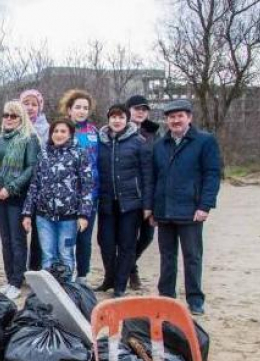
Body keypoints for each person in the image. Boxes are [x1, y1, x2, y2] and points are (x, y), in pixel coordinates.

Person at [147, 99, 222, 315]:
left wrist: (205, 205)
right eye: (171, 117)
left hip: (191, 210)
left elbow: (212, 175)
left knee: (192, 256)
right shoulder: (160, 145)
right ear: (166, 120)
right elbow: (153, 178)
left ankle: (195, 300)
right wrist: (152, 208)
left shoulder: (204, 141)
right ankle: (167, 297)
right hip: (164, 210)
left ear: (189, 117)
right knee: (167, 257)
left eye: (180, 116)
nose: (175, 120)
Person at [0, 100, 40, 300]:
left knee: (17, 240)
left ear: (21, 119)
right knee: (5, 240)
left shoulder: (29, 139)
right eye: (5, 115)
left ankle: (17, 281)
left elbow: (31, 168)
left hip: (17, 198)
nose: (8, 119)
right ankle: (9, 279)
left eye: (13, 116)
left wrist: (11, 187)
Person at [22, 118, 93, 275]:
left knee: (66, 255)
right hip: (44, 216)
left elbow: (87, 186)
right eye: (56, 131)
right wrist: (27, 213)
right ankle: (49, 292)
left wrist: (83, 214)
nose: (59, 135)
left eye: (63, 131)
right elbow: (35, 185)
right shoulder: (44, 154)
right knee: (48, 256)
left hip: (69, 217)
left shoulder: (79, 153)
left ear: (70, 134)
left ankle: (67, 289)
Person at [95, 104, 153, 297]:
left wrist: (147, 204)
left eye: (121, 117)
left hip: (131, 203)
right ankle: (109, 278)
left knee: (127, 244)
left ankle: (120, 284)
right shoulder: (100, 141)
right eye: (113, 117)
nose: (117, 121)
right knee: (106, 243)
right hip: (106, 202)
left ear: (127, 119)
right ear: (108, 119)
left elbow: (146, 174)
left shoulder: (139, 142)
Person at [59, 89, 99, 284]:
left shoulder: (94, 132)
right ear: (69, 109)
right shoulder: (60, 130)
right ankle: (64, 273)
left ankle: (83, 275)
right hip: (65, 194)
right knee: (65, 237)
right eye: (78, 107)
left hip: (89, 193)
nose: (82, 111)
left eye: (85, 108)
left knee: (84, 236)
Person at [126, 94, 161, 289]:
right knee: (128, 237)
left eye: (144, 109)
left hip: (149, 192)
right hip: (128, 194)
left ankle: (128, 262)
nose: (140, 112)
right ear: (129, 110)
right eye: (137, 108)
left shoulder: (154, 134)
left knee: (147, 236)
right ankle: (132, 272)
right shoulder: (120, 129)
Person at [19, 88, 48, 272]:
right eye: (26, 103)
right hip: (18, 188)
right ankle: (19, 271)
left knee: (39, 234)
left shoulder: (48, 130)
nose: (29, 108)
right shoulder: (12, 127)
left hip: (40, 188)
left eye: (34, 104)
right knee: (18, 234)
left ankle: (36, 269)